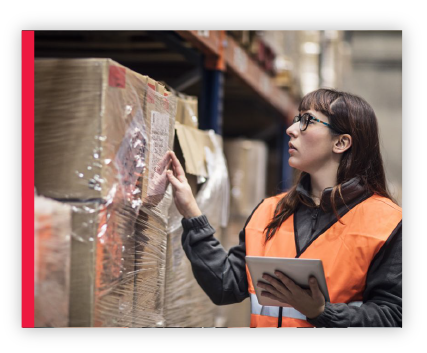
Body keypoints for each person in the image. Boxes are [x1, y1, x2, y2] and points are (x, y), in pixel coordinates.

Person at [165, 88, 402, 328]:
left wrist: (322, 312)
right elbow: (225, 285)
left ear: (341, 142)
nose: (291, 129)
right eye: (297, 119)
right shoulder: (270, 212)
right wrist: (191, 212)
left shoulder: (386, 223)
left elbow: (393, 316)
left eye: (307, 120)